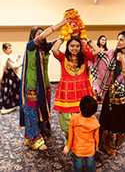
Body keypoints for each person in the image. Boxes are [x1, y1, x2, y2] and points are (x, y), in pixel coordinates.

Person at [20, 18, 68, 151]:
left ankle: (42, 130)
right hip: (32, 85)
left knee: (43, 107)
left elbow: (58, 41)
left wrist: (67, 33)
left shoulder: (46, 48)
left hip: (44, 84)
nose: (41, 36)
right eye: (38, 34)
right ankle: (33, 138)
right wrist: (59, 24)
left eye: (42, 33)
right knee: (32, 111)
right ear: (33, 37)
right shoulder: (30, 46)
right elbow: (43, 36)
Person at [90, 30, 125, 158]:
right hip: (110, 95)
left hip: (124, 97)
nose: (118, 42)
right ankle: (104, 145)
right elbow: (99, 57)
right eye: (118, 39)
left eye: (121, 40)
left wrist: (123, 61)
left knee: (119, 121)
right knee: (107, 120)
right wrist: (88, 41)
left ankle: (114, 146)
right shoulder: (112, 53)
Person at [51, 37, 101, 144]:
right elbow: (54, 49)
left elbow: (97, 50)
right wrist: (63, 37)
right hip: (67, 91)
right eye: (72, 46)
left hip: (82, 90)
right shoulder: (63, 56)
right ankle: (70, 140)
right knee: (66, 117)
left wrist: (87, 39)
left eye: (77, 46)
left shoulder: (84, 56)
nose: (75, 48)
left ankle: (81, 139)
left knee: (83, 115)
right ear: (67, 46)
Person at [63, 95, 100, 172]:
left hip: (77, 149)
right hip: (90, 149)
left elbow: (71, 134)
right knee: (90, 164)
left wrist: (68, 146)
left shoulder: (74, 118)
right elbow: (96, 136)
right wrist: (96, 146)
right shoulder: (95, 121)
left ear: (79, 108)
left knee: (78, 165)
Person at [0, 43, 22, 114]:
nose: (11, 50)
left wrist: (17, 59)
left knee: (12, 89)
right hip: (9, 76)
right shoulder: (6, 57)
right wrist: (22, 64)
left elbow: (11, 64)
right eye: (9, 48)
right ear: (4, 49)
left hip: (9, 75)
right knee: (10, 90)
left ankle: (12, 104)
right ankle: (7, 105)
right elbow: (13, 67)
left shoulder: (6, 56)